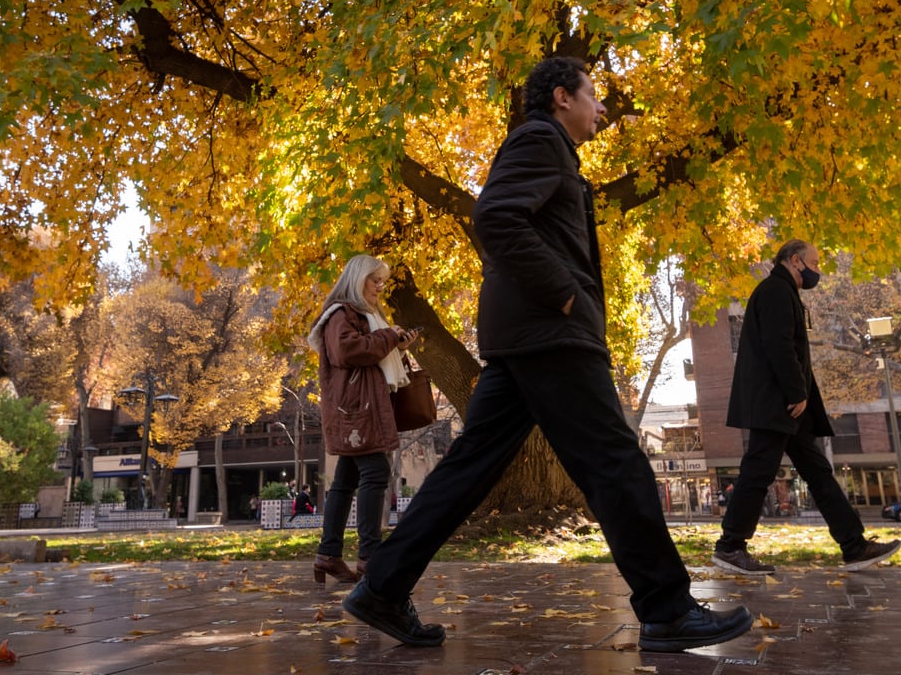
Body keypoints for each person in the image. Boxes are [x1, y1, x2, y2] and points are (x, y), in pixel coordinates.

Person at [342, 57, 754, 652]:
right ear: (562, 97)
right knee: (615, 462)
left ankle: (381, 586)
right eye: (594, 96)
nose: (603, 108)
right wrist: (564, 295)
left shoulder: (550, 148)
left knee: (468, 470)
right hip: (549, 337)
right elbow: (497, 217)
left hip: (527, 342)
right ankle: (666, 610)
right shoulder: (539, 139)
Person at [710, 240, 901, 575]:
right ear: (795, 260)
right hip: (778, 402)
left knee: (817, 473)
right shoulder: (774, 291)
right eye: (814, 262)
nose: (818, 269)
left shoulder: (783, 293)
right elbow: (778, 345)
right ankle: (729, 547)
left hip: (785, 403)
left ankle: (854, 546)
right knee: (759, 472)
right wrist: (796, 392)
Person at [306, 255, 420, 586]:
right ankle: (370, 558)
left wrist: (397, 346)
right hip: (356, 409)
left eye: (382, 281)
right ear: (358, 280)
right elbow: (348, 352)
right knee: (376, 472)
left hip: (361, 406)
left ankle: (328, 555)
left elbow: (369, 357)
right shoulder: (341, 314)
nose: (380, 287)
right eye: (375, 280)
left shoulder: (361, 315)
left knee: (345, 480)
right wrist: (389, 339)